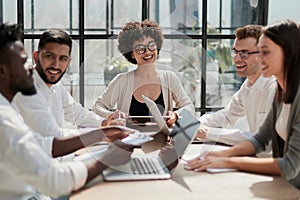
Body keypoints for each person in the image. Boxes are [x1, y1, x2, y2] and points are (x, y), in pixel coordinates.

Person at [0, 23, 134, 199]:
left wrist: (104, 128)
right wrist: (107, 156)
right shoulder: (6, 117)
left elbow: (47, 141)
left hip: (49, 177)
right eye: (24, 62)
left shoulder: (9, 109)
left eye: (63, 58)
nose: (29, 69)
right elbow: (55, 175)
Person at [185, 19, 300, 189]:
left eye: (265, 52)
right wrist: (217, 156)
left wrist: (228, 161)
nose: (260, 59)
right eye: (259, 52)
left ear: (288, 53)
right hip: (280, 182)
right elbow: (260, 139)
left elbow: (290, 166)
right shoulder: (281, 91)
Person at [13, 29, 125, 139]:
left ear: (68, 61)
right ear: (36, 57)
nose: (56, 64)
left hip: (54, 155)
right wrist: (104, 132)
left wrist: (105, 122)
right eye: (50, 56)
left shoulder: (56, 86)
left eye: (63, 58)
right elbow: (53, 135)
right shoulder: (26, 88)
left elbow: (76, 112)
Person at [92, 19, 194, 126]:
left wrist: (176, 115)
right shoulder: (122, 80)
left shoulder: (169, 78)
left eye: (151, 45)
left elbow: (189, 107)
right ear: (131, 53)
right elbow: (97, 107)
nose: (148, 52)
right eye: (140, 48)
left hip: (161, 140)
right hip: (129, 139)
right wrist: (114, 116)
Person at [197, 24, 277, 144]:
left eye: (244, 53)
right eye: (235, 52)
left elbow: (263, 140)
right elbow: (227, 115)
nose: (236, 59)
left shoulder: (274, 89)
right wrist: (196, 124)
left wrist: (208, 133)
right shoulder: (248, 86)